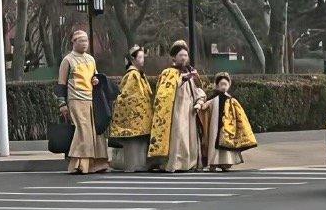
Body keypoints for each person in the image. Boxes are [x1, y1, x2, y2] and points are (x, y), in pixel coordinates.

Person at [148, 40, 206, 172]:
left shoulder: (191, 72)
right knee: (179, 134)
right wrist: (183, 78)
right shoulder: (168, 72)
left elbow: (198, 88)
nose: (184, 58)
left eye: (185, 55)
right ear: (174, 57)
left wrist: (199, 100)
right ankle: (176, 163)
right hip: (176, 109)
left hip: (190, 108)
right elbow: (164, 91)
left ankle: (190, 163)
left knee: (190, 135)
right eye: (181, 55)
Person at [57, 30, 109, 174]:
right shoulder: (68, 60)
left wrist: (96, 80)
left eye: (86, 41)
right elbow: (61, 83)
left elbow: (94, 76)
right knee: (83, 130)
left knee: (95, 131)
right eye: (81, 41)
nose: (85, 44)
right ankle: (78, 164)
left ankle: (97, 163)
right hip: (76, 99)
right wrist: (62, 103)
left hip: (91, 98)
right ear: (73, 42)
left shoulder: (91, 59)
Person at [197, 72, 257, 171]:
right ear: (217, 85)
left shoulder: (231, 100)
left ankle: (226, 162)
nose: (223, 87)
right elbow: (205, 106)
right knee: (213, 141)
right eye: (221, 84)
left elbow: (239, 114)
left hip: (228, 126)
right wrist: (200, 106)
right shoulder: (213, 99)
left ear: (229, 85)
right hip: (215, 125)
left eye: (226, 84)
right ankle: (213, 162)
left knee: (227, 143)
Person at [108, 45, 154, 172]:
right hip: (136, 115)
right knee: (135, 143)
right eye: (140, 57)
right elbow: (128, 95)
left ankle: (137, 165)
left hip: (140, 115)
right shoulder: (133, 75)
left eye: (143, 57)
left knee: (138, 142)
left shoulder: (138, 74)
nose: (142, 60)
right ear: (133, 59)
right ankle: (135, 165)